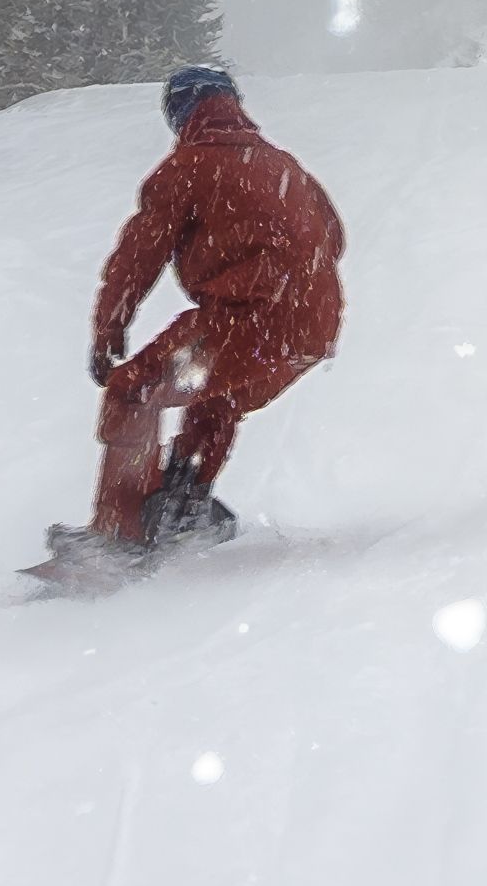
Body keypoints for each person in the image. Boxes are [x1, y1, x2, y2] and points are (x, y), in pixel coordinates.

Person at [66, 64, 346, 563]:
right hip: (314, 328)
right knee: (216, 399)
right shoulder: (286, 166)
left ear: (180, 114)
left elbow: (136, 259)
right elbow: (335, 239)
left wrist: (110, 329)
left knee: (134, 389)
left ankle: (117, 539)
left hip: (251, 318)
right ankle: (184, 502)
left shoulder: (188, 169)